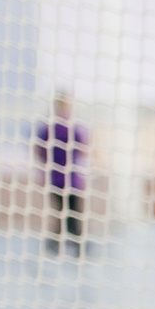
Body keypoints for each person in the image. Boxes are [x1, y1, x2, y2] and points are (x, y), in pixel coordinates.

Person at [33, 92, 88, 257]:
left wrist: (43, 173)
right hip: (70, 179)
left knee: (60, 213)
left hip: (55, 179)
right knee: (73, 214)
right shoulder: (71, 127)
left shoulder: (47, 128)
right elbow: (83, 149)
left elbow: (39, 152)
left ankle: (55, 246)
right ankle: (76, 248)